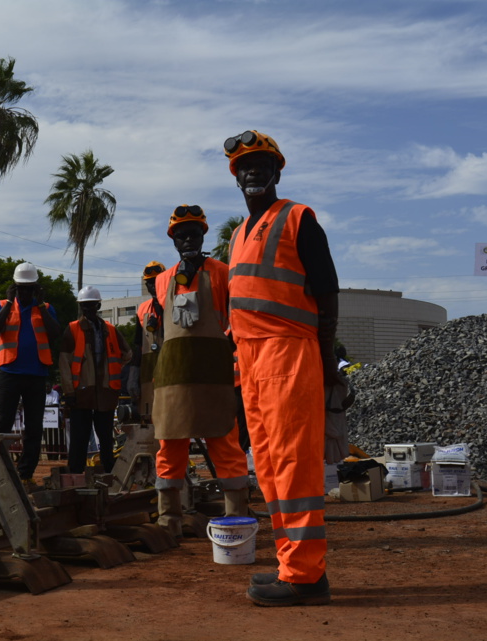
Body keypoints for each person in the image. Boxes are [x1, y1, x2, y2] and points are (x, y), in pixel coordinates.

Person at [224, 130, 341, 606]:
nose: (252, 171)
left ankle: (308, 578)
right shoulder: (237, 235)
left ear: (277, 171)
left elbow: (328, 293)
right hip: (251, 359)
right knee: (269, 466)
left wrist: (327, 356)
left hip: (289, 353)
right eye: (244, 166)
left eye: (261, 164)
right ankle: (291, 565)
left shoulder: (298, 219)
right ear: (236, 178)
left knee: (294, 463)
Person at [151, 206, 248, 537]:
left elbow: (238, 319)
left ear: (203, 235)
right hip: (172, 378)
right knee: (170, 446)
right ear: (173, 240)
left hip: (212, 375)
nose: (188, 239)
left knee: (224, 441)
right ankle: (168, 518)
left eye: (194, 233)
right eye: (182, 234)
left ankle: (235, 514)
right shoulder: (163, 281)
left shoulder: (223, 273)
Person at [0, 261, 62, 481]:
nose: (25, 292)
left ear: (36, 288)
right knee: (2, 425)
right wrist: (10, 302)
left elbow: (55, 332)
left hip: (37, 374)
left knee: (34, 429)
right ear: (15, 287)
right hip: (10, 373)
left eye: (30, 288)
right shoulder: (1, 305)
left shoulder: (46, 308)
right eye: (21, 288)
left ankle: (25, 475)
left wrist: (39, 304)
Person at [58, 286, 131, 474]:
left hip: (105, 393)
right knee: (79, 438)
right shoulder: (73, 329)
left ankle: (109, 474)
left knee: (106, 437)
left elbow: (126, 354)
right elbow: (64, 363)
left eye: (91, 306)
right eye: (84, 306)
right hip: (81, 393)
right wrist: (69, 392)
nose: (88, 310)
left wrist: (112, 370)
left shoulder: (111, 330)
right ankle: (75, 474)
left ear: (98, 305)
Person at [127, 262, 165, 419]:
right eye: (149, 283)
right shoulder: (143, 309)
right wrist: (133, 376)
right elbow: (138, 345)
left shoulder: (177, 303)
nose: (153, 286)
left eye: (157, 281)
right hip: (150, 372)